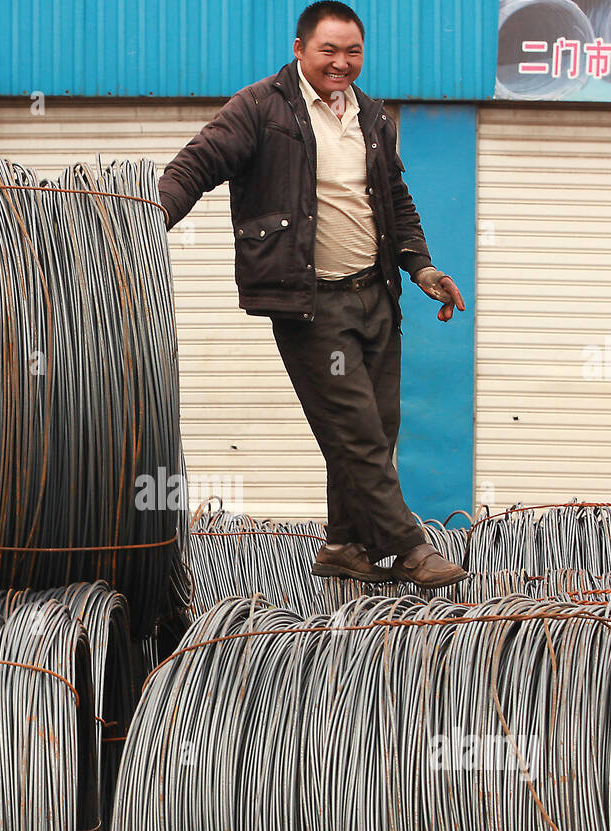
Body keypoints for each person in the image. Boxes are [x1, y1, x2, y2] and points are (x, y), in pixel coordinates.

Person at [158, 1, 468, 588]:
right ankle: (408, 547)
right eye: (328, 50)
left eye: (352, 52)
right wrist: (146, 220)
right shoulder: (259, 108)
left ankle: (347, 545)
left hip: (375, 296)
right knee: (354, 429)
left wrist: (421, 268)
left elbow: (395, 201)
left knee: (377, 426)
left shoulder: (373, 117)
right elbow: (197, 164)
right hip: (310, 303)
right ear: (300, 49)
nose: (341, 63)